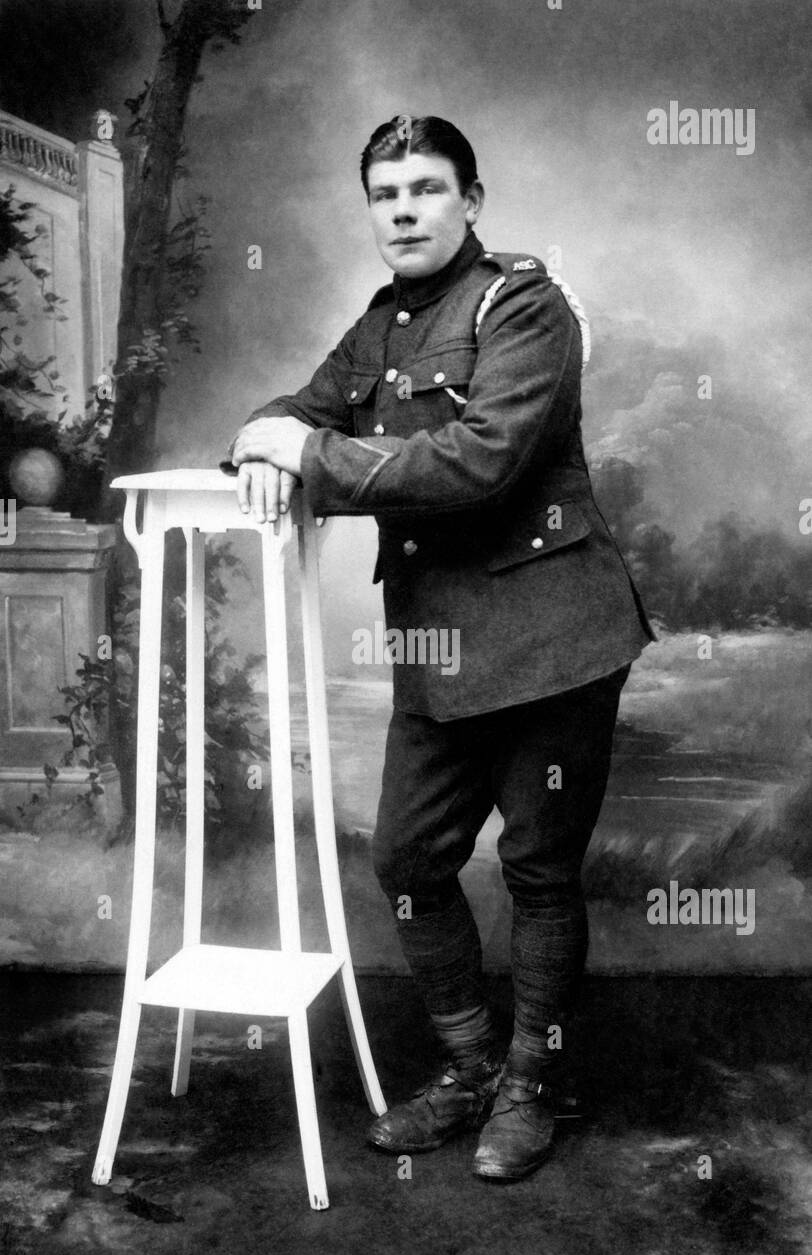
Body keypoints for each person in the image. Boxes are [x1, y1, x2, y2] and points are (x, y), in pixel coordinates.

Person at [222, 115, 655, 1181]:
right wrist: (260, 437)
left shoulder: (523, 305)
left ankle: (531, 1083)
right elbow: (304, 407)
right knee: (408, 861)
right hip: (439, 641)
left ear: (471, 198)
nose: (403, 209)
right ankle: (468, 1069)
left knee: (538, 871)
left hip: (554, 633)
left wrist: (308, 452)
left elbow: (480, 463)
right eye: (384, 193)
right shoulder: (380, 323)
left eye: (424, 187)